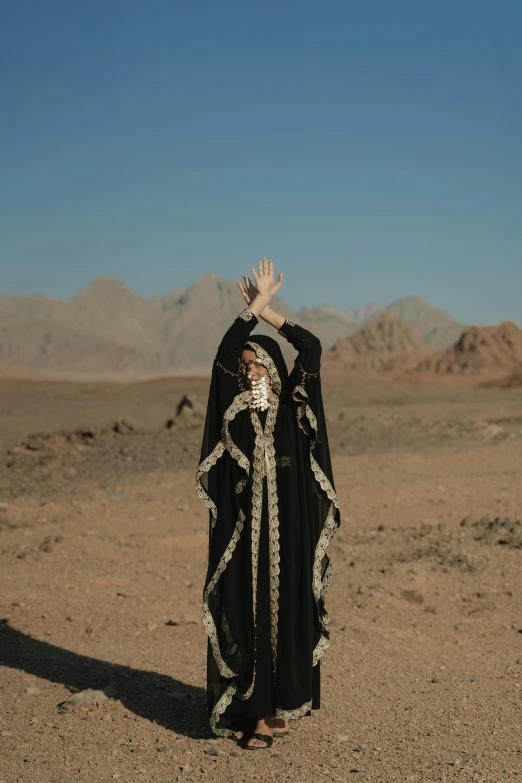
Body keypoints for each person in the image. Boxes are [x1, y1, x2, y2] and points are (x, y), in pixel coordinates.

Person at [196, 259, 341, 749]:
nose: (251, 366)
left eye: (261, 361)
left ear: (276, 369)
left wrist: (270, 312)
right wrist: (251, 310)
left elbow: (312, 347)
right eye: (247, 362)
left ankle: (275, 708)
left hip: (290, 526)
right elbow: (224, 351)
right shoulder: (236, 406)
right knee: (247, 613)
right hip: (244, 528)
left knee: (286, 612)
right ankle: (250, 712)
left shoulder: (295, 404)